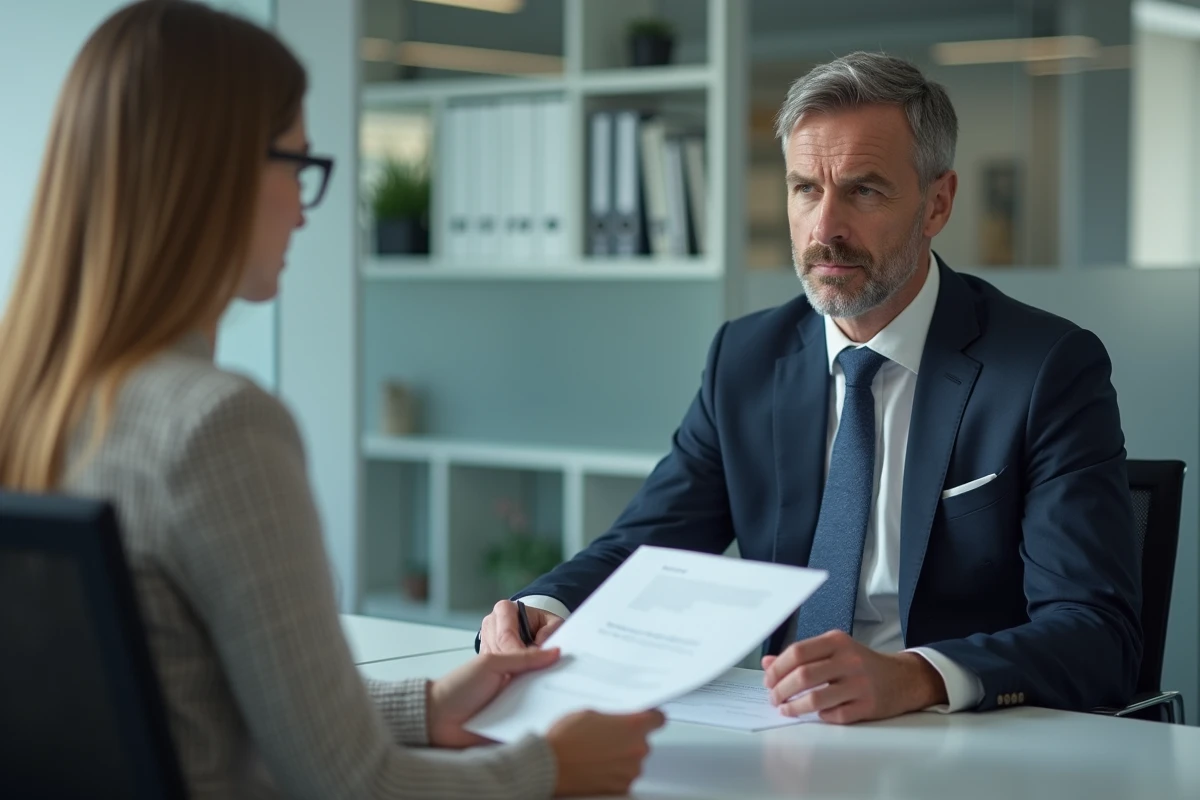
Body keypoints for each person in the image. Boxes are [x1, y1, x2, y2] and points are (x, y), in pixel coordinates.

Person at [0, 2, 663, 798]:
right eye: (296, 164)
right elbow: (352, 784)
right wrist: (552, 767)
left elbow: (185, 690)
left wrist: (424, 705)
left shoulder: (31, 397)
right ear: (213, 175)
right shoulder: (212, 426)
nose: (304, 209)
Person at [480, 51, 1143, 724]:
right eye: (805, 189)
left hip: (960, 738)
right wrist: (541, 608)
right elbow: (647, 547)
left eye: (864, 191)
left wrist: (917, 677)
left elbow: (1097, 633)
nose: (825, 229)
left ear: (937, 203)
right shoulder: (746, 359)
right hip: (778, 726)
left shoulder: (1044, 369)